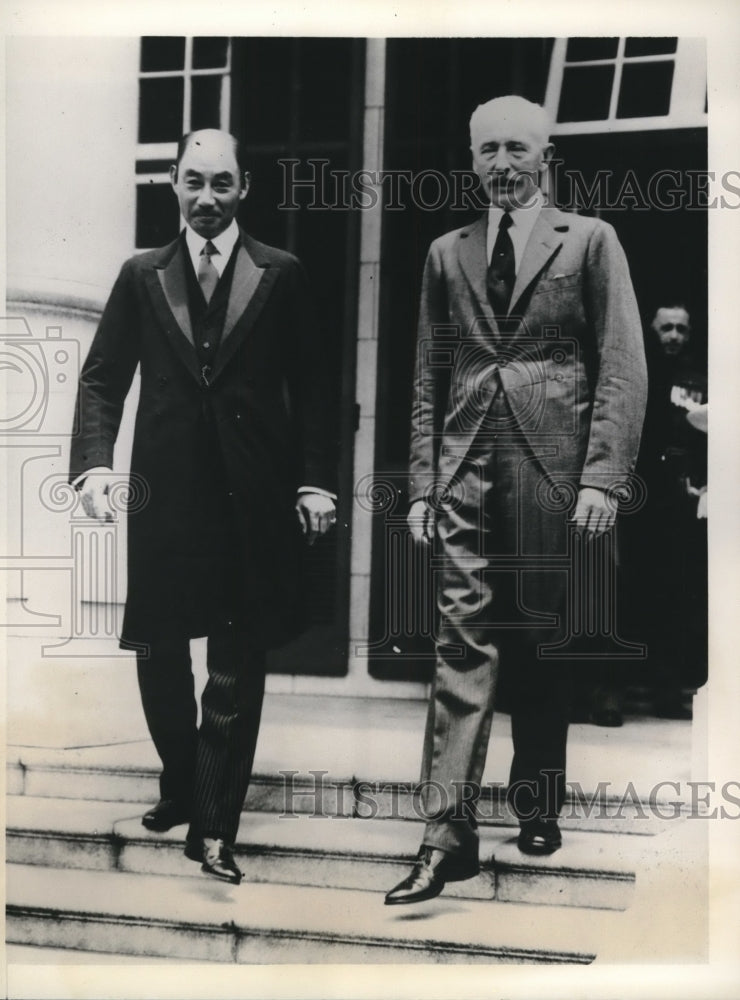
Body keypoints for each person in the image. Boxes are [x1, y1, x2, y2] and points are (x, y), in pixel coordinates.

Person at [385, 96, 647, 906]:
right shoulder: (443, 253)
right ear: (471, 160)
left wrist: (604, 476)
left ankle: (537, 802)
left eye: (517, 149)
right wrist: (424, 486)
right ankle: (444, 837)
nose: (503, 163)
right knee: (460, 644)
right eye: (488, 150)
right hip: (464, 468)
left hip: (553, 467)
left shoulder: (592, 240)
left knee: (538, 639)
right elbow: (430, 379)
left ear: (547, 156)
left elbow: (622, 362)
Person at [70, 129, 337, 884]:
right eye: (194, 182)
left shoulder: (281, 275)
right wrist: (92, 466)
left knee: (235, 663)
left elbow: (315, 390)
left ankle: (214, 828)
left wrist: (313, 481)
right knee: (157, 651)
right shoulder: (140, 275)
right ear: (173, 185)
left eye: (223, 183)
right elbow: (100, 380)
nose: (208, 198)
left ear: (244, 187)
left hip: (251, 503)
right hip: (164, 501)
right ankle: (182, 780)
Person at [622, 302, 707, 718]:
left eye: (681, 329)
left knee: (677, 596)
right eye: (666, 328)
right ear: (652, 332)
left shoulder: (701, 378)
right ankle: (621, 687)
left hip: (684, 502)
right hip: (642, 500)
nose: (673, 336)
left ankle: (668, 689)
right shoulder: (640, 375)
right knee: (633, 591)